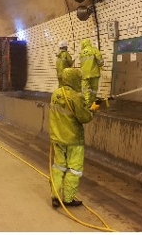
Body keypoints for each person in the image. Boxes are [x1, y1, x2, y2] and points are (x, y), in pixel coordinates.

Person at [49, 67, 99, 208]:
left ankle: (55, 196)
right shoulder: (76, 96)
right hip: (73, 140)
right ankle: (68, 199)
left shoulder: (55, 94)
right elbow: (84, 118)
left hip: (57, 138)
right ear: (75, 79)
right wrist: (93, 109)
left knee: (58, 167)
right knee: (74, 169)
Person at [79, 39, 104, 107]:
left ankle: (86, 104)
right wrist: (100, 65)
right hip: (94, 73)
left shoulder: (81, 53)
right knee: (94, 90)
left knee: (85, 90)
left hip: (84, 74)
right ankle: (92, 103)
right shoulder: (94, 50)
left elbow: (81, 64)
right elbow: (100, 61)